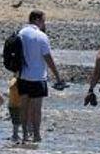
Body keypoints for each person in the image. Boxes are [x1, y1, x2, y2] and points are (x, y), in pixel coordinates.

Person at [18, 10, 65, 143]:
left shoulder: (21, 33)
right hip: (38, 77)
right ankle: (37, 135)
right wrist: (57, 76)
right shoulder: (41, 36)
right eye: (44, 20)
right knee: (36, 109)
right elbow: (48, 57)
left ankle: (25, 134)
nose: (45, 23)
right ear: (37, 20)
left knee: (24, 107)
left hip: (22, 76)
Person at [7, 76, 22, 143]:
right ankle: (15, 135)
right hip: (15, 104)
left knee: (17, 121)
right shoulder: (14, 80)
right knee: (16, 121)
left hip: (14, 103)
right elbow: (12, 87)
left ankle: (15, 135)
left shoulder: (14, 80)